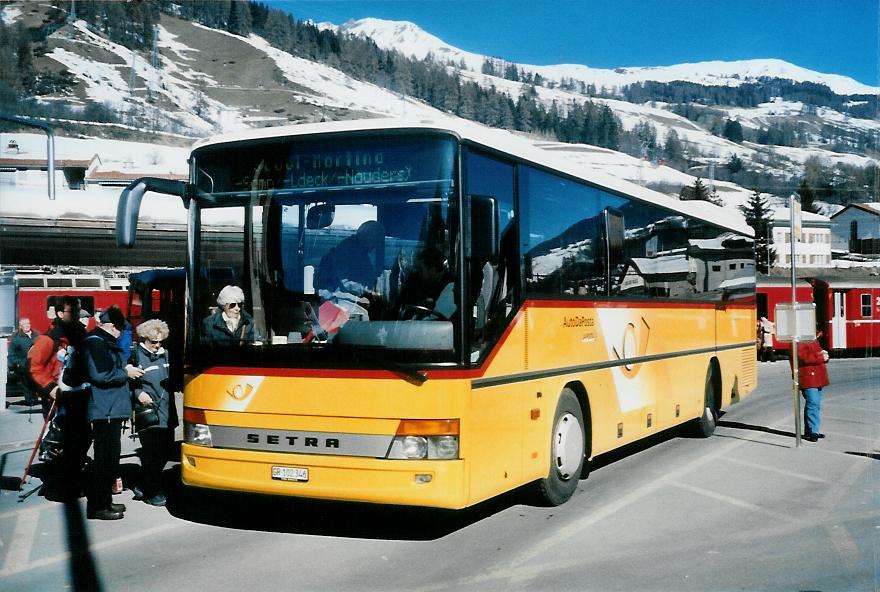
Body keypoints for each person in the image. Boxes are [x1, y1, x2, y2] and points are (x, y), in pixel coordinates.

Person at [83, 305, 144, 520]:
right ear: (110, 326)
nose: (121, 332)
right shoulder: (96, 343)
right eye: (119, 328)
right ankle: (98, 506)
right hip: (105, 409)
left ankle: (105, 501)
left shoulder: (102, 342)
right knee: (104, 459)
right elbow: (100, 375)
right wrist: (125, 372)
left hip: (110, 409)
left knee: (110, 459)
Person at [131, 319, 177, 507]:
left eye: (160, 341)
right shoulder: (135, 356)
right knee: (152, 455)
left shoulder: (166, 355)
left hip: (167, 413)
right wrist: (138, 393)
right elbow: (127, 383)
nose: (157, 345)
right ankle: (153, 493)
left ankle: (143, 485)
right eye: (153, 342)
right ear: (144, 339)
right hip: (148, 414)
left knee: (164, 453)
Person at [314, 220, 385, 296]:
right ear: (367, 236)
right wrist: (366, 291)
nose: (376, 245)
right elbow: (343, 282)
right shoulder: (347, 252)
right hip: (339, 300)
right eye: (376, 240)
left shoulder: (360, 253)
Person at [791, 331, 830, 443]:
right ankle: (813, 431)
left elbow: (813, 354)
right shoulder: (799, 339)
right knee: (813, 402)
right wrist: (821, 357)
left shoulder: (810, 338)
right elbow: (803, 357)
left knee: (815, 403)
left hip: (815, 376)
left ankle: (812, 430)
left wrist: (823, 355)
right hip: (808, 376)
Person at [398, 247, 452, 314]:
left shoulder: (450, 287)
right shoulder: (414, 282)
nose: (417, 272)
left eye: (421, 269)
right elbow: (401, 305)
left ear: (433, 270)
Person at [8, 318, 39, 404]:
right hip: (23, 364)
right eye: (25, 324)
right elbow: (11, 354)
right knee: (26, 382)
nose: (27, 325)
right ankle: (30, 400)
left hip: (35, 363)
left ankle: (34, 398)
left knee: (34, 381)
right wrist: (15, 364)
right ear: (21, 326)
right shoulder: (16, 338)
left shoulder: (36, 334)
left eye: (28, 323)